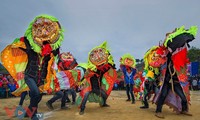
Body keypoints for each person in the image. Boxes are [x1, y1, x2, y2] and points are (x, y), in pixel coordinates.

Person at [1, 14, 64, 120]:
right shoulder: (31, 50)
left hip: (41, 79)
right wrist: (25, 39)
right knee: (34, 93)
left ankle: (28, 112)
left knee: (38, 96)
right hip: (29, 76)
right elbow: (23, 44)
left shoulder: (49, 53)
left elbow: (57, 50)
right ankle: (33, 115)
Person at [154, 26, 198, 118]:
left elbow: (183, 60)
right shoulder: (165, 52)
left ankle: (184, 109)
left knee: (184, 96)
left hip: (177, 79)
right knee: (163, 94)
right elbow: (158, 61)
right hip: (167, 78)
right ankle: (158, 111)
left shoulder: (180, 51)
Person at [78, 41, 117, 115]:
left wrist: (109, 57)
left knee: (105, 95)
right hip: (90, 88)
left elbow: (108, 67)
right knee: (85, 95)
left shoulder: (101, 71)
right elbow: (86, 75)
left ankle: (103, 104)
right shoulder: (90, 71)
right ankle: (82, 109)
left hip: (98, 89)